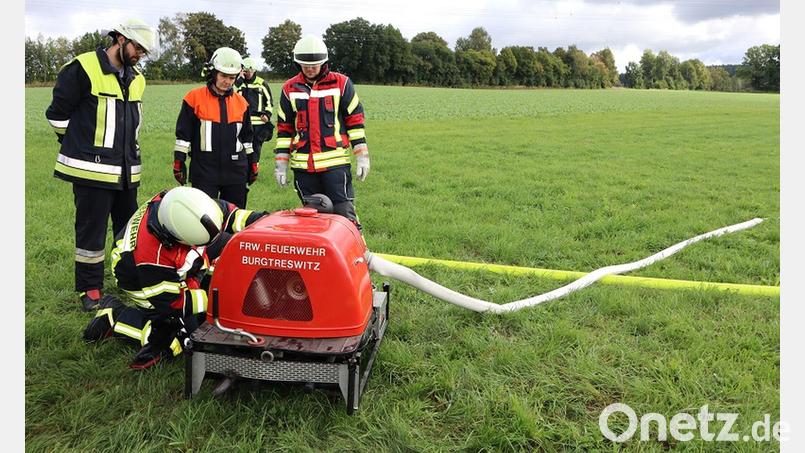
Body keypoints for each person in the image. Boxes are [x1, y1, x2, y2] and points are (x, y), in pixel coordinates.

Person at [82, 186, 270, 369]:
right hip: (140, 281)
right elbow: (173, 303)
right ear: (177, 239)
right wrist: (221, 299)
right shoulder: (152, 260)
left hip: (179, 261)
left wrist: (265, 221)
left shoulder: (187, 204)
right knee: (182, 340)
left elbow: (231, 216)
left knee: (231, 247)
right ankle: (116, 317)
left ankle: (202, 282)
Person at [45, 18, 157, 311]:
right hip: (90, 170)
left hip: (126, 171)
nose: (140, 55)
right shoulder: (82, 68)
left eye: (144, 51)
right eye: (137, 48)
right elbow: (57, 115)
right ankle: (90, 289)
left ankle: (128, 280)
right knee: (90, 235)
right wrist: (78, 146)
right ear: (119, 39)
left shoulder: (137, 77)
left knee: (128, 232)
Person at [273, 35, 370, 229]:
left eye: (314, 65)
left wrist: (362, 156)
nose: (309, 69)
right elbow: (284, 130)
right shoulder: (289, 89)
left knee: (344, 215)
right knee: (312, 218)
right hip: (303, 167)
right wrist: (281, 164)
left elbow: (355, 122)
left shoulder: (341, 84)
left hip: (335, 164)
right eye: (305, 65)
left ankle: (357, 255)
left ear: (324, 62)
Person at [173, 47, 255, 209]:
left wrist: (253, 163)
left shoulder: (242, 103)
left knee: (234, 219)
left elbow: (247, 138)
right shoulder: (193, 98)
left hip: (235, 172)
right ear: (213, 73)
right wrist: (179, 161)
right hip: (204, 172)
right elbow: (183, 136)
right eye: (224, 76)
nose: (228, 81)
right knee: (203, 221)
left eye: (232, 77)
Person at [235, 57, 274, 186]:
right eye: (245, 71)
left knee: (256, 148)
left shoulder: (261, 83)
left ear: (254, 70)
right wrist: (239, 79)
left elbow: (269, 102)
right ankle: (242, 170)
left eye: (250, 70)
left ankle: (253, 172)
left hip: (259, 123)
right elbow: (231, 93)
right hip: (242, 122)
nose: (248, 73)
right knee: (241, 147)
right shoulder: (238, 83)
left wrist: (267, 114)